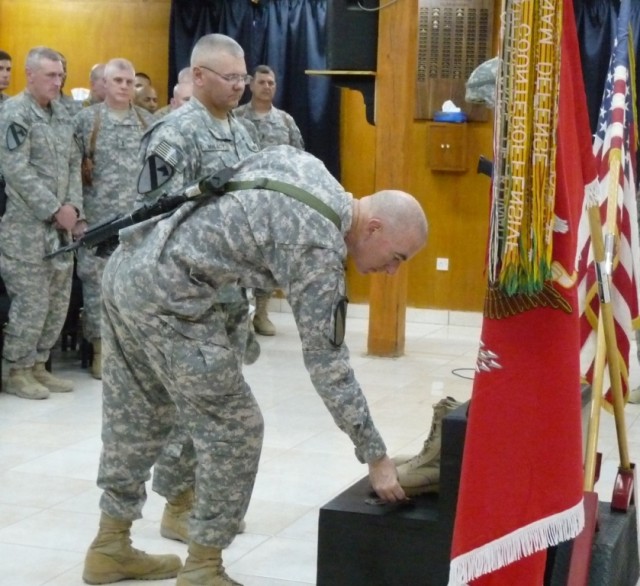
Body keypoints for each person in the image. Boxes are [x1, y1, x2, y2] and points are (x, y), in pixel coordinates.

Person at [81, 143, 427, 585]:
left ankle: (110, 545)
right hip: (172, 297)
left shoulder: (310, 166)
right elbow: (328, 364)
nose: (392, 271)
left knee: (136, 412)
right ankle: (203, 568)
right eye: (396, 258)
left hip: (129, 268)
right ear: (374, 227)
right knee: (236, 429)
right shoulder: (317, 247)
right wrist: (375, 455)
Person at [0, 46, 83, 400]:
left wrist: (75, 209)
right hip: (26, 228)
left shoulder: (63, 115)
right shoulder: (14, 113)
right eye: (50, 75)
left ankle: (38, 364)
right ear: (29, 75)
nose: (58, 81)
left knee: (57, 299)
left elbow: (74, 164)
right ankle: (15, 369)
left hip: (61, 229)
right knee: (31, 300)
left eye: (61, 75)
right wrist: (54, 208)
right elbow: (16, 170)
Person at [73, 58, 154, 379]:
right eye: (117, 80)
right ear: (104, 84)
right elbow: (71, 172)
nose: (124, 87)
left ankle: (133, 353)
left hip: (137, 225)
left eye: (129, 82)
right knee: (97, 291)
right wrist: (78, 217)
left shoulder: (148, 124)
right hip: (97, 225)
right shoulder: (86, 122)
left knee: (137, 289)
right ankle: (100, 352)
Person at [234, 64, 305, 336]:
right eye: (262, 82)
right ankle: (241, 316)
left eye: (271, 83)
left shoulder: (285, 122)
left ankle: (261, 312)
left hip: (274, 204)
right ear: (251, 84)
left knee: (267, 260)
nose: (267, 87)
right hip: (241, 201)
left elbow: (299, 162)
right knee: (239, 258)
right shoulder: (236, 118)